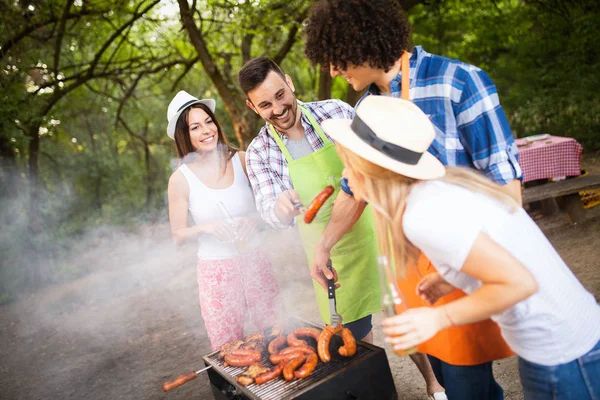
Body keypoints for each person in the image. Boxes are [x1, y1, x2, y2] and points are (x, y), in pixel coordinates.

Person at [303, 1, 521, 399]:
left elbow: (507, 194)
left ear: (362, 42)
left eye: (336, 58)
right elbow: (355, 193)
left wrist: (461, 268)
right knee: (454, 380)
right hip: (409, 276)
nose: (333, 71)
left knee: (466, 387)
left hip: (459, 264)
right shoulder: (365, 109)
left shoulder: (459, 82)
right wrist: (323, 246)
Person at [323, 94, 600, 400]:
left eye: (348, 166)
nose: (345, 177)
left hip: (564, 353)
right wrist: (449, 277)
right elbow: (493, 248)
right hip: (564, 339)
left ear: (371, 169)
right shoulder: (433, 191)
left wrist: (437, 318)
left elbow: (520, 282)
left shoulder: (422, 214)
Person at [238, 57, 446, 399]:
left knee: (405, 313)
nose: (277, 108)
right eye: (265, 104)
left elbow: (379, 164)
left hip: (375, 232)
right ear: (252, 106)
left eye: (279, 95)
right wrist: (280, 207)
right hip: (329, 256)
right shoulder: (260, 151)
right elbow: (268, 209)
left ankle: (434, 385)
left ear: (289, 82)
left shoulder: (335, 112)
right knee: (356, 340)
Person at [166, 90, 281, 351]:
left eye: (208, 122)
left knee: (276, 332)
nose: (207, 130)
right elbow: (178, 235)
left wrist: (254, 219)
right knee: (228, 347)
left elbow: (268, 207)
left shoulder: (241, 160)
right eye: (195, 127)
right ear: (185, 135)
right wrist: (205, 228)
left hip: (255, 259)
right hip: (216, 271)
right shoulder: (181, 179)